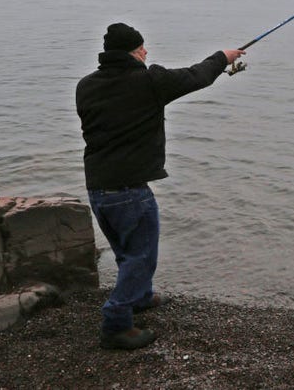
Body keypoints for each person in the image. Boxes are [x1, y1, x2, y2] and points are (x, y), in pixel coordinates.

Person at [76, 22, 244, 350]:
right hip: (129, 191)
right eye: (142, 48)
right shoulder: (149, 82)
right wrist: (223, 57)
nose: (146, 52)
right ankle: (116, 323)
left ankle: (138, 297)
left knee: (127, 252)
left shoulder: (85, 86)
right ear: (133, 52)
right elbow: (197, 76)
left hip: (97, 189)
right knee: (141, 257)